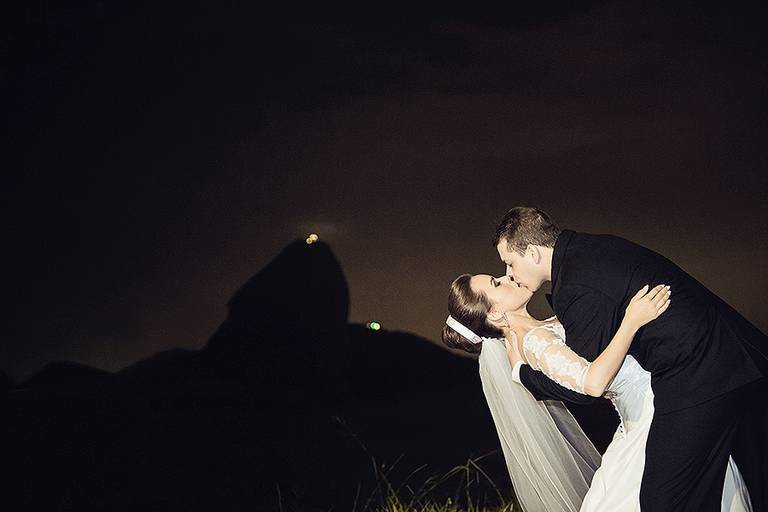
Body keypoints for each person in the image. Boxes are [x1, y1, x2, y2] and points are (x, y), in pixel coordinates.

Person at [493, 206, 767, 511]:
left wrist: (524, 375)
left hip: (699, 375)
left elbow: (588, 386)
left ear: (532, 252)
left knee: (663, 501)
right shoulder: (591, 248)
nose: (509, 274)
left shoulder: (575, 286)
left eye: (509, 263)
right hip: (734, 359)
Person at [443, 274, 753, 511]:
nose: (509, 276)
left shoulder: (530, 336)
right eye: (498, 282)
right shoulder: (535, 341)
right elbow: (592, 383)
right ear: (495, 313)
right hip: (654, 417)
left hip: (651, 411)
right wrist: (631, 321)